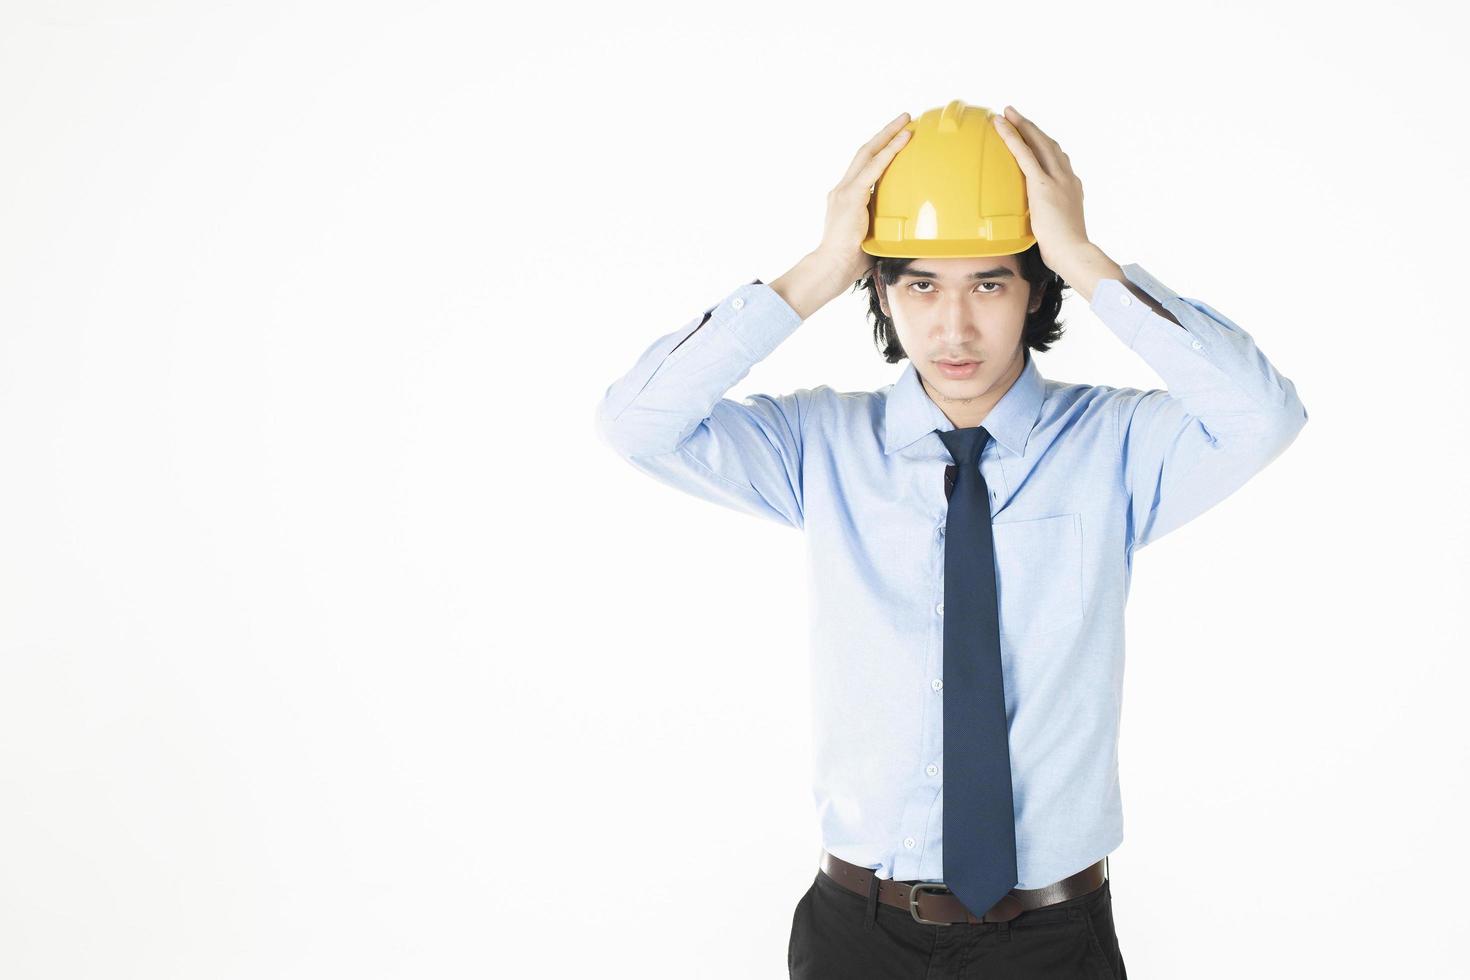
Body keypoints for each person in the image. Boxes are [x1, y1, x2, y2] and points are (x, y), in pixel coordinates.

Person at [593, 104, 1308, 979]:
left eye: (990, 283)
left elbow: (1263, 416)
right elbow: (635, 424)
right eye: (921, 284)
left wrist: (1086, 258)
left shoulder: (1116, 446)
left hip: (1050, 938)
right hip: (858, 933)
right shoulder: (820, 447)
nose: (954, 328)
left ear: (1036, 288)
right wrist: (818, 271)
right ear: (883, 290)